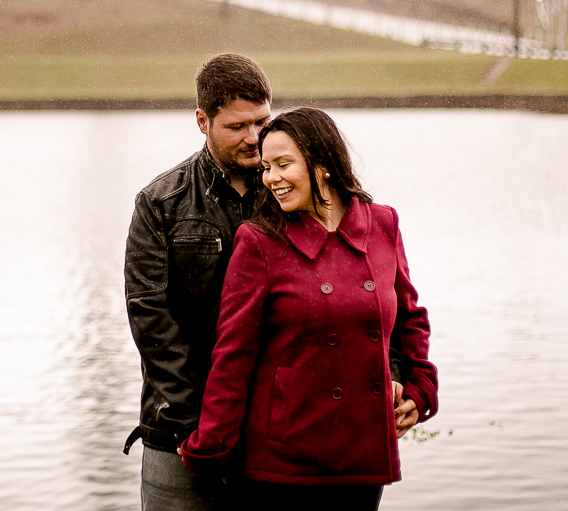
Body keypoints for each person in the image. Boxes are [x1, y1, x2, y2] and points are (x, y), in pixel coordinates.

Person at [179, 107, 438, 511]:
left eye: (283, 164)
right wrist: (211, 445)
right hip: (283, 460)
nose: (271, 179)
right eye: (266, 167)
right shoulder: (260, 242)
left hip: (362, 453)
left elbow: (409, 318)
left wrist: (420, 389)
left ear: (323, 165)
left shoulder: (382, 224)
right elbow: (234, 354)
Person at [124, 53, 273, 511]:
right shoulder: (160, 202)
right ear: (202, 121)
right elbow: (151, 319)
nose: (254, 138)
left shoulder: (292, 192)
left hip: (277, 427)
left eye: (263, 123)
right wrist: (202, 428)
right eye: (238, 126)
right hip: (177, 430)